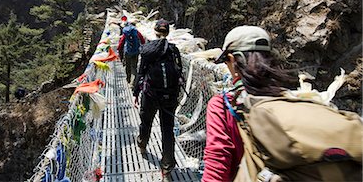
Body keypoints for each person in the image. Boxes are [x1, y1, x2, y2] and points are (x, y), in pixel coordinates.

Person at [202, 25, 362, 181]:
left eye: (226, 62)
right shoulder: (294, 98)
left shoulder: (224, 105)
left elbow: (217, 164)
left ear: (231, 59)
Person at [133, 19, 183, 182]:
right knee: (167, 129)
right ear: (168, 33)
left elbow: (141, 73)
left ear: (154, 32)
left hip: (150, 95)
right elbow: (179, 70)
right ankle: (167, 169)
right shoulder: (174, 50)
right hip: (170, 95)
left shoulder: (147, 50)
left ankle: (142, 144)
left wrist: (136, 93)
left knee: (145, 121)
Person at [117, 20, 145, 86]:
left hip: (127, 51)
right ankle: (133, 83)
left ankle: (128, 79)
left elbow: (121, 43)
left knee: (127, 66)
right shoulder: (136, 32)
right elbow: (143, 40)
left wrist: (119, 50)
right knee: (134, 67)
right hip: (136, 51)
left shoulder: (125, 33)